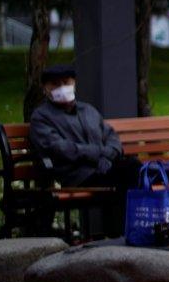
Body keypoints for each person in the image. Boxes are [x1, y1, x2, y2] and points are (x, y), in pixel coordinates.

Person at [28, 64, 142, 234]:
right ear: (45, 89)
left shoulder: (87, 110)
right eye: (55, 84)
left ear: (74, 83)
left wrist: (108, 156)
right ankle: (122, 234)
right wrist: (98, 154)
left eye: (66, 82)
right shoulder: (41, 117)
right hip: (77, 174)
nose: (61, 88)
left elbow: (111, 137)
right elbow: (60, 148)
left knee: (134, 168)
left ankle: (130, 231)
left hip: (104, 168)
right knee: (126, 174)